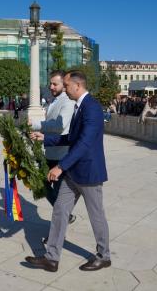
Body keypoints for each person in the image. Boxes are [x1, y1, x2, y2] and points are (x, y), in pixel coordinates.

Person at [27, 70, 110, 272]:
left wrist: (60, 166)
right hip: (74, 172)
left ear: (77, 86)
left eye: (66, 85)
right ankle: (51, 258)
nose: (64, 88)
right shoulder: (78, 107)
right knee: (60, 210)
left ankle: (104, 256)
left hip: (89, 173)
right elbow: (71, 138)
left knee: (96, 215)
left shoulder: (92, 108)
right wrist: (44, 138)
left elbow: (84, 143)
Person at [29, 70, 77, 245]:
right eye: (50, 83)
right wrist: (39, 133)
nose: (51, 87)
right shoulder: (53, 101)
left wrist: (37, 124)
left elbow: (59, 126)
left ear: (64, 85)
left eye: (55, 84)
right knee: (45, 188)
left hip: (61, 155)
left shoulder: (67, 102)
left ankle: (56, 235)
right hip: (50, 152)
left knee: (59, 200)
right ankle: (66, 218)